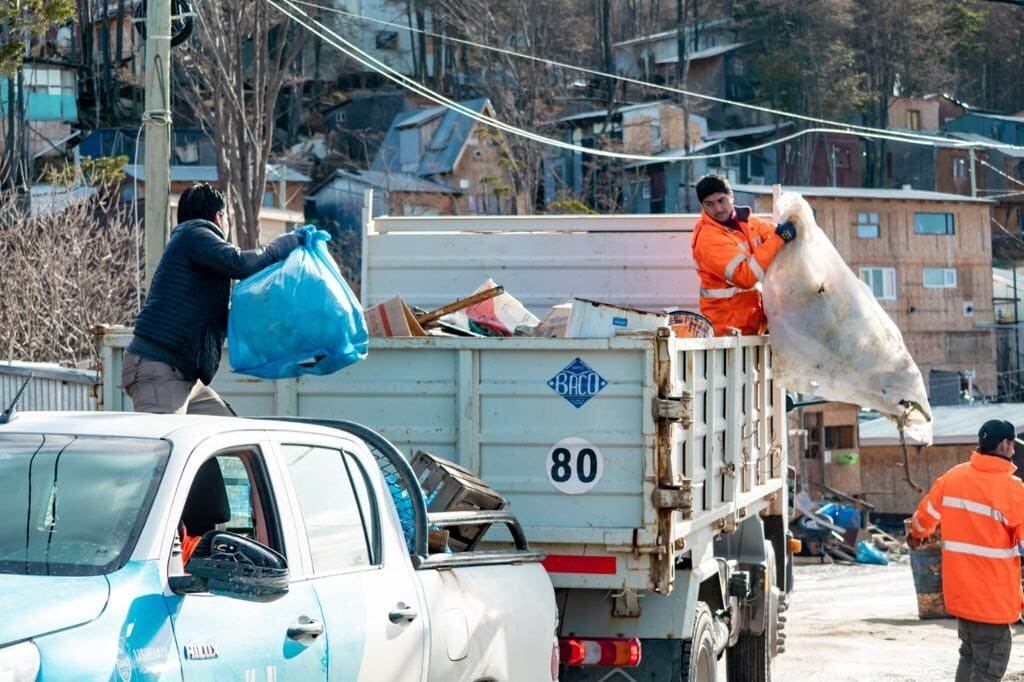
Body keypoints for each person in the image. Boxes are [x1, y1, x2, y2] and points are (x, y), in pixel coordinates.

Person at [121, 183, 304, 415]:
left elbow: (221, 316)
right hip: (159, 369)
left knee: (229, 436)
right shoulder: (194, 234)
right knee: (165, 446)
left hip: (182, 374)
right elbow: (240, 263)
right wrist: (280, 246)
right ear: (219, 217)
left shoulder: (197, 250)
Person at [908, 419, 1024, 682]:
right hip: (992, 602)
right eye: (1012, 445)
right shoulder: (1013, 490)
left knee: (970, 657)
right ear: (1005, 444)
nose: (1014, 451)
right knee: (988, 667)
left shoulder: (954, 477)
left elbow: (922, 519)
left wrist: (916, 535)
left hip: (962, 597)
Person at [690, 174, 796, 335]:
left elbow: (771, 235)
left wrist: (794, 228)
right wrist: (779, 238)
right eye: (709, 204)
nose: (718, 209)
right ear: (702, 205)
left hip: (751, 327)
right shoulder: (708, 238)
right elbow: (744, 276)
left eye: (721, 200)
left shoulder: (747, 223)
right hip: (726, 333)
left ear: (731, 196)